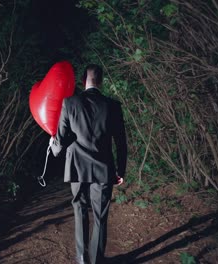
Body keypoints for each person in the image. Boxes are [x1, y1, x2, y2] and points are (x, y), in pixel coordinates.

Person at [50, 64, 127, 264]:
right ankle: (96, 261)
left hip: (77, 168)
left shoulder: (70, 103)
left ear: (83, 81)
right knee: (101, 216)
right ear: (100, 81)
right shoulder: (113, 106)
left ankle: (82, 260)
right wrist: (121, 170)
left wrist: (54, 147)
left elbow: (61, 138)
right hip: (104, 168)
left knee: (80, 210)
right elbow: (121, 142)